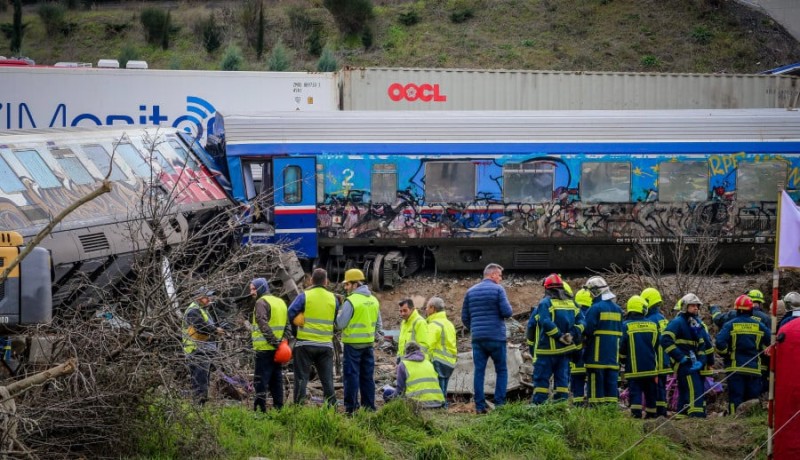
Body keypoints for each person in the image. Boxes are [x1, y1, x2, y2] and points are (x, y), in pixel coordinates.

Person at [461, 263, 513, 414]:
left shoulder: (470, 292)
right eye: (500, 276)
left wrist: (475, 329)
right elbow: (507, 312)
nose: (501, 279)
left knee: (479, 371)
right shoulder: (498, 289)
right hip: (496, 337)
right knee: (501, 370)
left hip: (478, 339)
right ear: (493, 275)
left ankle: (479, 406)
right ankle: (500, 405)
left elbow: (464, 317)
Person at [287, 268, 339, 406]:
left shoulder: (305, 296)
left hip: (305, 344)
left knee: (301, 379)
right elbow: (334, 319)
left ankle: (298, 408)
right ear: (326, 282)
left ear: (311, 281)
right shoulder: (333, 298)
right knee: (327, 380)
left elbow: (291, 312)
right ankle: (331, 409)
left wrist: (296, 330)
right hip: (325, 345)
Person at [335, 268, 383, 414]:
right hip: (368, 345)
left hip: (352, 346)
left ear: (355, 284)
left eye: (348, 284)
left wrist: (338, 314)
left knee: (351, 377)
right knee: (367, 377)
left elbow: (340, 324)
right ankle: (369, 408)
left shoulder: (351, 301)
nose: (345, 287)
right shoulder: (373, 300)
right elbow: (379, 325)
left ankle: (351, 409)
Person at [531, 274, 584, 404]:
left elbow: (545, 322)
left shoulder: (545, 303)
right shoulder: (572, 303)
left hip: (546, 351)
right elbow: (582, 322)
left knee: (541, 382)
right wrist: (571, 334)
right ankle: (560, 408)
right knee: (562, 382)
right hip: (565, 352)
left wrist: (559, 336)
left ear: (547, 288)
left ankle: (539, 408)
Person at [714, 294, 771, 415]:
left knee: (736, 398)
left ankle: (734, 421)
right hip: (754, 369)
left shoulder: (730, 324)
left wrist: (727, 353)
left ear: (737, 309)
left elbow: (719, 343)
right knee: (753, 399)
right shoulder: (759, 325)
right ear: (751, 309)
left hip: (735, 368)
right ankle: (751, 422)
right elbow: (771, 340)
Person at [662, 293, 708, 418]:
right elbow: (665, 339)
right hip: (684, 363)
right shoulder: (678, 322)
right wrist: (680, 357)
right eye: (692, 305)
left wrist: (702, 361)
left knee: (684, 390)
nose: (696, 308)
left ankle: (682, 414)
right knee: (695, 389)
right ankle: (697, 416)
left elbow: (702, 345)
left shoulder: (695, 324)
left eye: (697, 306)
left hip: (693, 363)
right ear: (684, 307)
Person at [249, 277, 291, 412]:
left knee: (260, 381)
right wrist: (282, 342)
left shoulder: (261, 302)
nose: (252, 292)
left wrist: (274, 342)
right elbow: (288, 326)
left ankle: (260, 411)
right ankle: (279, 408)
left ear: (261, 288)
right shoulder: (281, 302)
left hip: (265, 349)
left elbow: (262, 324)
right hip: (278, 350)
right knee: (276, 381)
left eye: (253, 289)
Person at [583, 276, 624, 405]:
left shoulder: (594, 309)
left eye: (590, 293)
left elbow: (587, 330)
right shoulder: (618, 309)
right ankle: (611, 411)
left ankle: (596, 413)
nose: (589, 296)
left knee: (596, 389)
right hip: (613, 357)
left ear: (595, 291)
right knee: (611, 386)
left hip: (596, 357)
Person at [182, 287, 224, 405]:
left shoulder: (201, 310)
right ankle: (198, 409)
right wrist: (215, 330)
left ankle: (199, 408)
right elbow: (201, 327)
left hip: (201, 350)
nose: (209, 299)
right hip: (197, 350)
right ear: (199, 298)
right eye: (207, 297)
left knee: (201, 382)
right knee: (200, 384)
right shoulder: (193, 310)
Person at [620, 295, 660, 419]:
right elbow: (657, 345)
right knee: (650, 392)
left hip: (634, 368)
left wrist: (622, 360)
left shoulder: (626, 326)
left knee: (635, 391)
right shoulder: (653, 325)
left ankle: (636, 414)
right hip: (651, 366)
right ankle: (652, 413)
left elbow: (622, 346)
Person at [641, 287, 671, 417]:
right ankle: (662, 411)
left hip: (656, 360)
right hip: (664, 359)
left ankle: (656, 413)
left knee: (655, 387)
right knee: (662, 386)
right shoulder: (662, 318)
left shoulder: (651, 320)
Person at [424, 296, 457, 403]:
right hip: (450, 361)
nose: (425, 310)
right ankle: (443, 407)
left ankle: (441, 407)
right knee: (445, 387)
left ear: (433, 308)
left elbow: (428, 345)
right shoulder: (449, 324)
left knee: (439, 389)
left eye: (427, 307)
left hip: (439, 360)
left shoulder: (434, 325)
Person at [395, 341, 446, 408]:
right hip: (438, 402)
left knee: (387, 392)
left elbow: (400, 389)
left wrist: (391, 397)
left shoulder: (403, 364)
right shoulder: (428, 363)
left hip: (417, 404)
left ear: (406, 352)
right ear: (419, 350)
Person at [570, 288, 593, 404]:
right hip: (590, 356)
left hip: (577, 357)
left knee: (577, 381)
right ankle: (590, 402)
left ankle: (578, 403)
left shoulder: (574, 315)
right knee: (591, 381)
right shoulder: (592, 314)